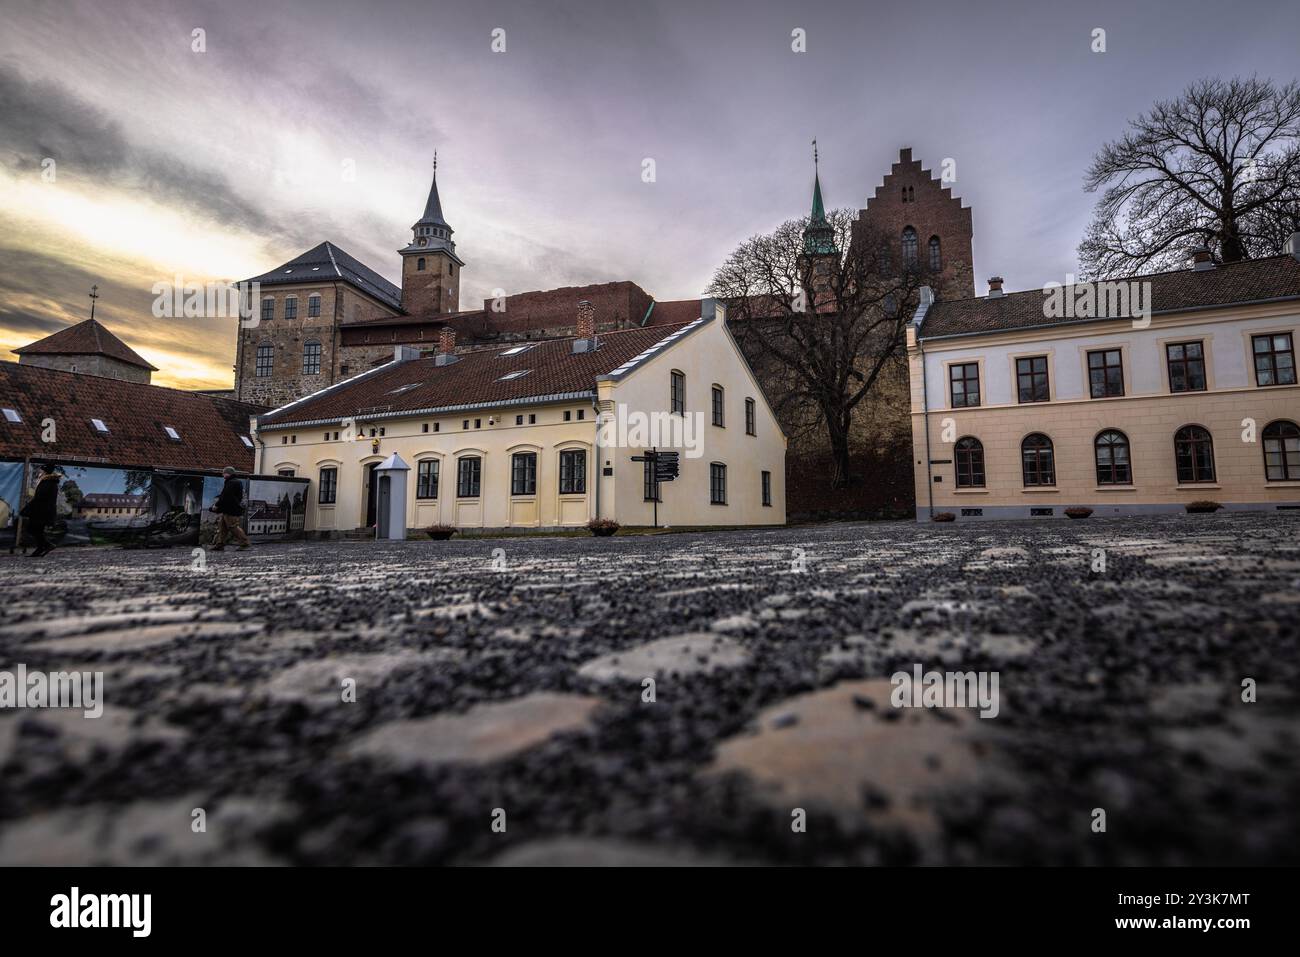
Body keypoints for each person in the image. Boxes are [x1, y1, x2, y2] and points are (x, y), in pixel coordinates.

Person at [20, 464, 62, 558]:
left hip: (42, 511)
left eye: (41, 470)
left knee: (32, 529)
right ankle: (41, 548)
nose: (39, 472)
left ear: (45, 472)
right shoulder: (47, 482)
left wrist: (28, 508)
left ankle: (47, 545)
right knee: (37, 530)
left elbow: (40, 498)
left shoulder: (48, 482)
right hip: (41, 510)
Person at [210, 466, 251, 551]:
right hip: (230, 509)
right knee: (223, 528)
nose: (223, 474)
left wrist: (217, 505)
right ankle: (220, 544)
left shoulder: (231, 483)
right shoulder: (234, 482)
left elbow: (225, 496)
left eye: (224, 473)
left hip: (231, 510)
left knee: (233, 527)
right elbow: (227, 496)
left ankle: (245, 544)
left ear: (228, 473)